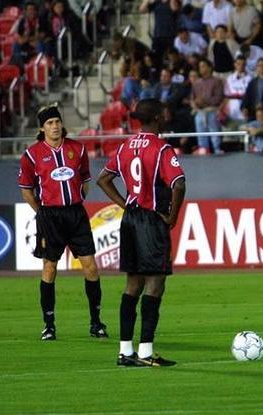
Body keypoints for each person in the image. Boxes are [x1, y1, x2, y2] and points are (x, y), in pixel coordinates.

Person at [97, 99, 187, 367]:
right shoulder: (161, 149)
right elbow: (179, 183)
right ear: (158, 117)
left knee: (132, 283)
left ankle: (125, 351)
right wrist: (172, 218)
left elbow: (103, 179)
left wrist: (125, 204)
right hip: (151, 219)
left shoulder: (125, 146)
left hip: (130, 219)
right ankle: (146, 351)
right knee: (155, 282)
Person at [18, 106, 107, 341]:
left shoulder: (77, 149)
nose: (55, 126)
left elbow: (86, 181)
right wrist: (42, 213)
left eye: (57, 121)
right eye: (49, 123)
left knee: (91, 267)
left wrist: (74, 201)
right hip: (50, 217)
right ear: (41, 128)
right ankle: (49, 325)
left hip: (76, 214)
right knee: (50, 268)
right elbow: (27, 191)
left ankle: (96, 323)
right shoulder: (32, 155)